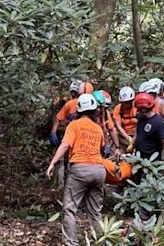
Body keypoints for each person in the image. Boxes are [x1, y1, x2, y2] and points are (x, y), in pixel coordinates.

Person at [46, 94, 106, 246]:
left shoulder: (74, 125)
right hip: (99, 171)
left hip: (80, 169)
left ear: (78, 110)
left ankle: (71, 243)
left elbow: (65, 145)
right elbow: (102, 148)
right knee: (95, 211)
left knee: (70, 209)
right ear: (93, 111)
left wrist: (53, 162)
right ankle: (101, 241)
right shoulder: (98, 128)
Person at [92, 90, 120, 157]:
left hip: (103, 144)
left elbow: (111, 130)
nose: (100, 110)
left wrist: (117, 147)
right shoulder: (88, 115)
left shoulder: (105, 114)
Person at [113, 86, 138, 152]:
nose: (126, 105)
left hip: (137, 134)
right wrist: (127, 138)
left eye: (128, 102)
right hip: (124, 135)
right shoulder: (118, 109)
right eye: (124, 103)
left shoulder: (137, 107)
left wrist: (133, 141)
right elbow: (118, 127)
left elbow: (140, 125)